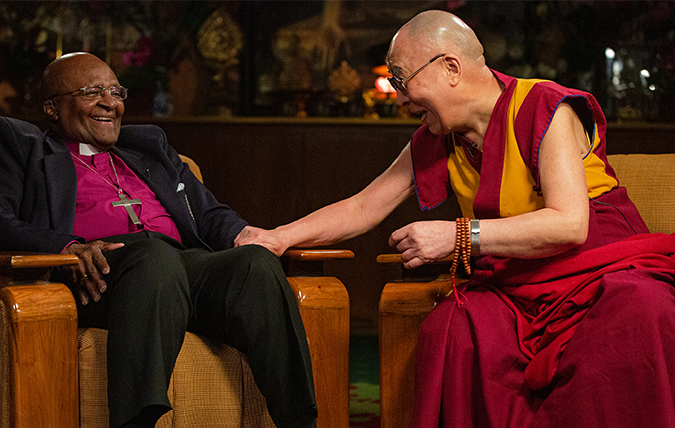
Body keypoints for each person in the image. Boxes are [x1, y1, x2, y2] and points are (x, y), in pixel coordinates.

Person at [235, 9, 675, 428]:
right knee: (455, 328)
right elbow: (363, 207)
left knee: (640, 311)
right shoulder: (439, 136)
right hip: (516, 284)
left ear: (450, 66)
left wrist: (459, 235)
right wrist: (279, 236)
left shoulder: (544, 107)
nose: (401, 98)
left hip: (598, 270)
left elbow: (570, 224)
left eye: (402, 80)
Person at [0, 52, 317, 428]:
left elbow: (208, 214)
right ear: (51, 107)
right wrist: (64, 247)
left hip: (184, 265)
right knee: (153, 258)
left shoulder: (148, 147)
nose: (110, 103)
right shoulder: (18, 143)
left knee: (255, 263)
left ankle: (300, 421)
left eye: (115, 91)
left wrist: (244, 235)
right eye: (91, 91)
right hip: (102, 274)